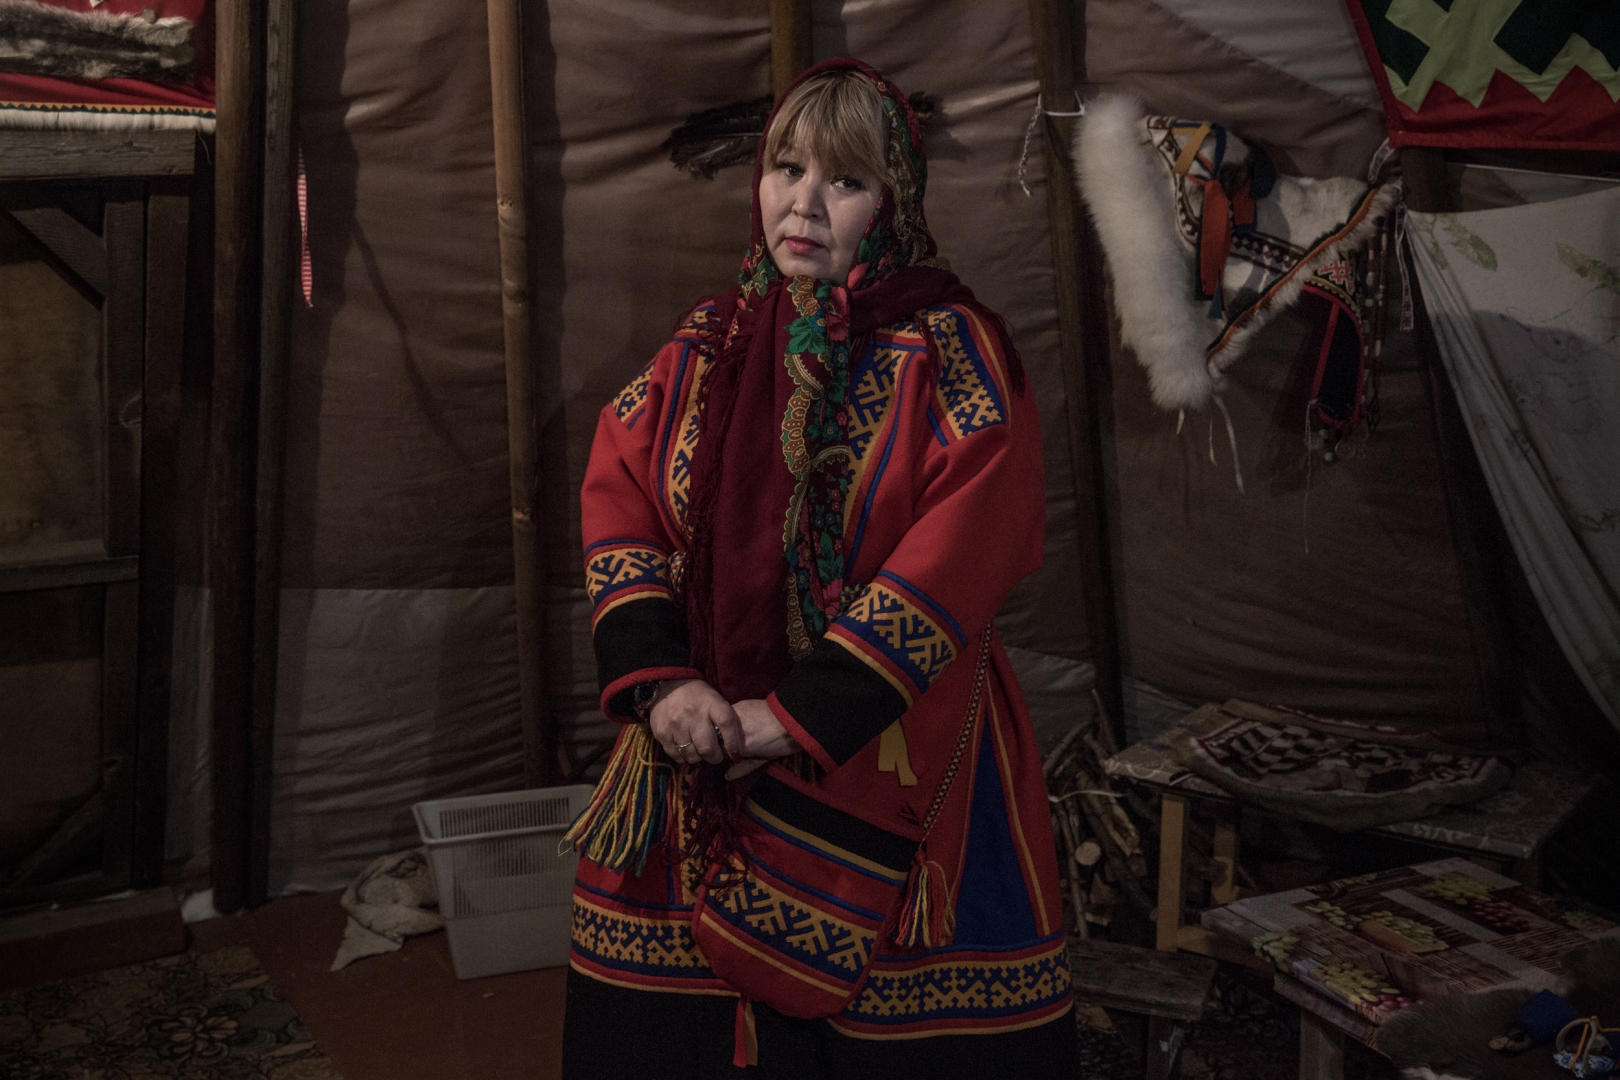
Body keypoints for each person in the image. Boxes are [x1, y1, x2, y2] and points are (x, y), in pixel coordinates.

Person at [561, 59, 1077, 1079]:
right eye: (786, 168)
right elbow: (621, 496)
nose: (802, 203)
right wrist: (663, 685)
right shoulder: (702, 348)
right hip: (699, 743)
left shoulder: (953, 351)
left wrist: (796, 717)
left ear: (894, 202)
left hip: (891, 736)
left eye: (844, 180)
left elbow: (970, 540)